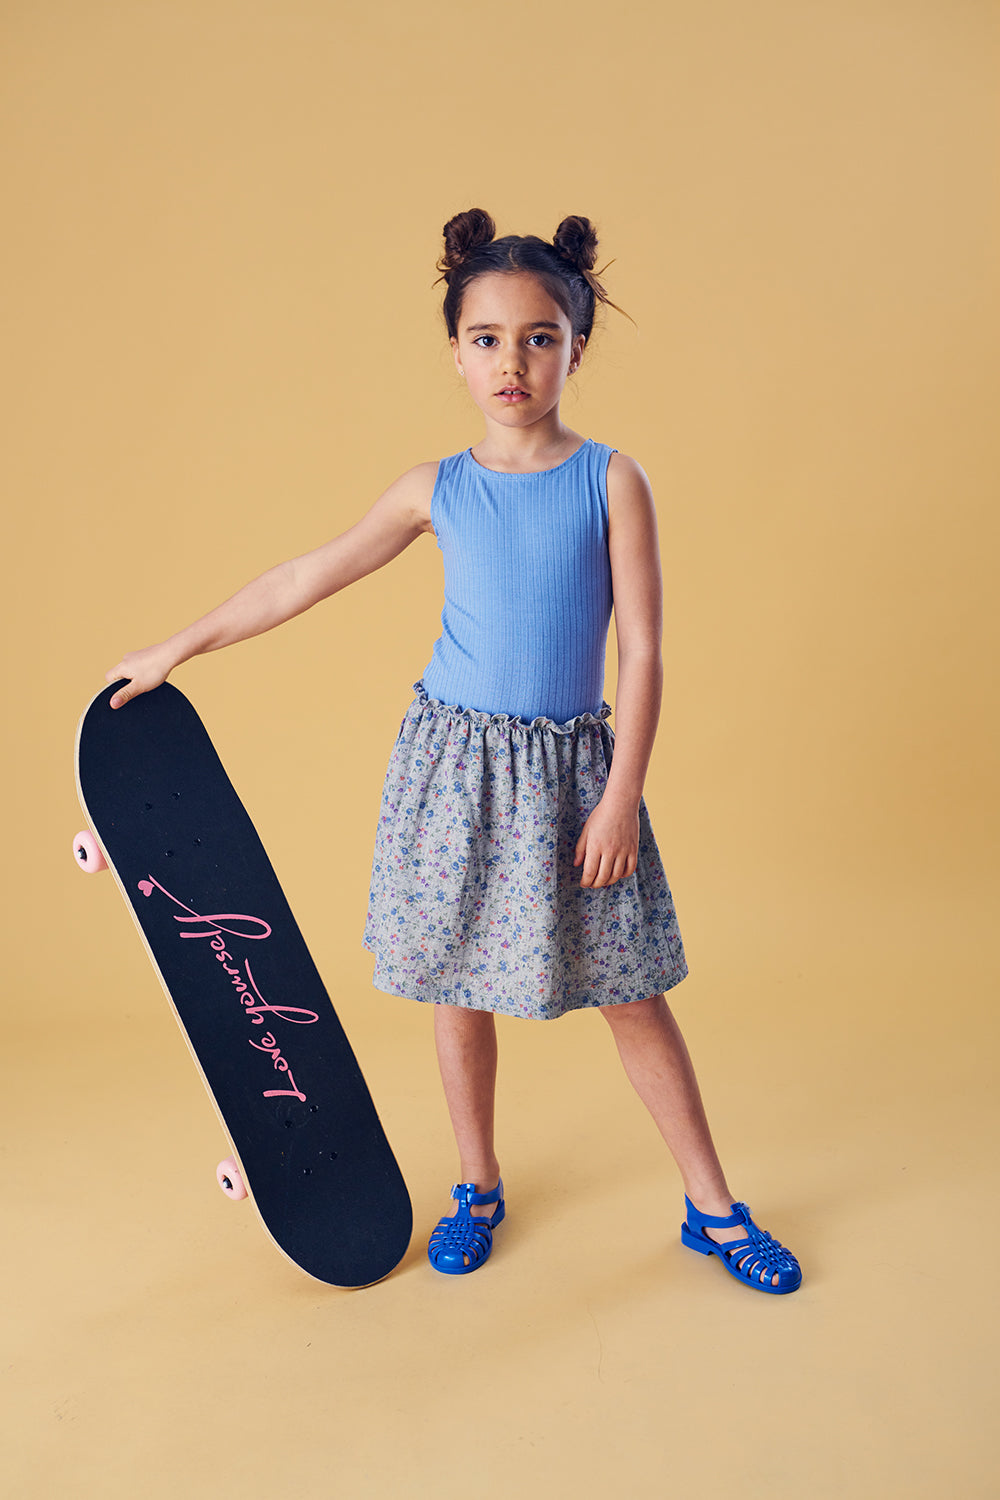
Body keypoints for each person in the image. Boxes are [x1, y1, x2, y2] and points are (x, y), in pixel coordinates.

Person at [106, 208, 801, 1294]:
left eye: (538, 337)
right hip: (455, 775)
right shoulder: (435, 488)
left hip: (574, 778)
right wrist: (178, 645)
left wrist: (620, 796)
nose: (511, 361)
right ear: (455, 351)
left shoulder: (611, 479)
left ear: (576, 346)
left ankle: (712, 1208)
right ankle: (475, 1184)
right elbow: (304, 577)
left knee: (629, 994)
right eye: (486, 338)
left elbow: (648, 652)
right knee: (456, 986)